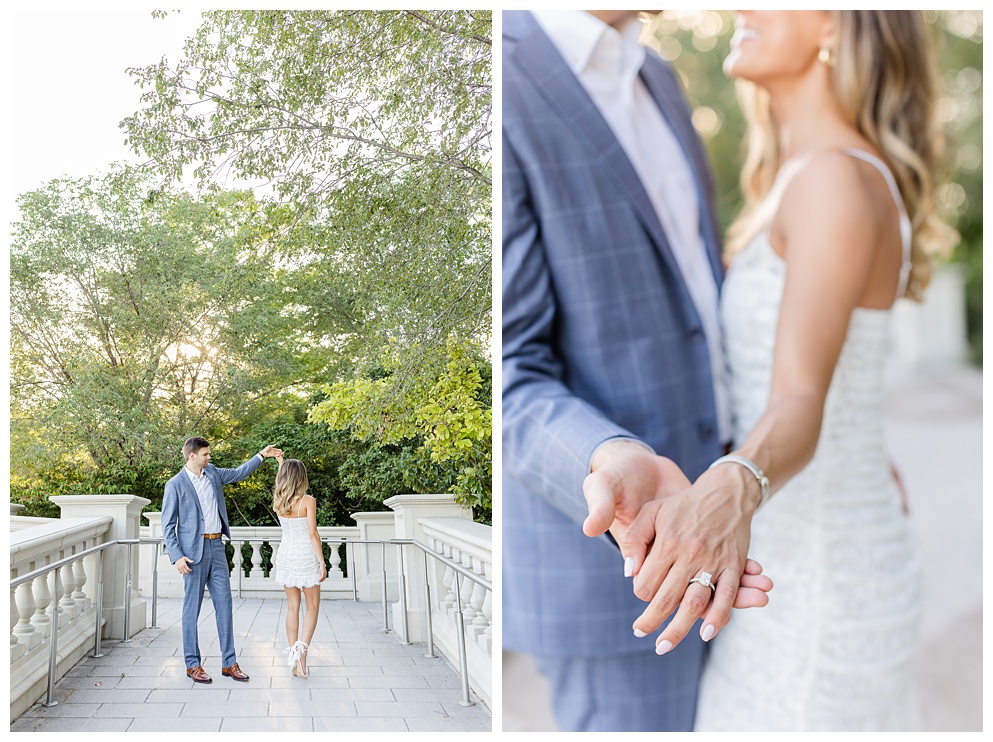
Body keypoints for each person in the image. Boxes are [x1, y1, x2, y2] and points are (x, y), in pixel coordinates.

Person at [620, 10, 953, 731]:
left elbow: (802, 393)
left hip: (817, 584)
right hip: (797, 553)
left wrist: (728, 489)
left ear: (833, 24)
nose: (743, 8)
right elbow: (834, 383)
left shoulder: (833, 176)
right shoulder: (804, 174)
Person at [502, 10, 772, 732]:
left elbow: (699, 309)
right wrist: (607, 452)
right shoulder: (499, 74)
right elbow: (507, 370)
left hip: (728, 535)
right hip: (617, 579)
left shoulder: (658, 75)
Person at [162, 437, 283, 684]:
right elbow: (167, 526)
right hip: (192, 555)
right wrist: (176, 557)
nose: (209, 458)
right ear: (191, 456)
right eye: (205, 454)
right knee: (191, 610)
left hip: (217, 547)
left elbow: (239, 473)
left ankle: (229, 663)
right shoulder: (175, 485)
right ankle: (192, 664)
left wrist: (262, 454)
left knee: (225, 606)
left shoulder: (213, 473)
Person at [271, 456, 327, 678]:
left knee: (292, 607)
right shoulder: (307, 501)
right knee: (312, 607)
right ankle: (302, 653)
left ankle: (293, 652)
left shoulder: (279, 500)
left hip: (286, 555)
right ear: (302, 477)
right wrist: (322, 562)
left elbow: (282, 479)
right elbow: (312, 534)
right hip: (305, 555)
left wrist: (281, 463)